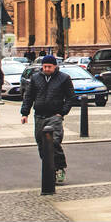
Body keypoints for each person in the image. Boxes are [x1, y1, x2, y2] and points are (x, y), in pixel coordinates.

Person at [20, 54, 75, 185]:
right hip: (39, 115)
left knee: (54, 142)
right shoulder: (36, 78)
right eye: (44, 66)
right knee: (41, 144)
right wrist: (24, 113)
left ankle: (60, 167)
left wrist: (62, 113)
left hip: (54, 116)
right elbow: (29, 96)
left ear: (55, 66)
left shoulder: (64, 78)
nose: (46, 69)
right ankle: (49, 169)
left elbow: (70, 97)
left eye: (49, 66)